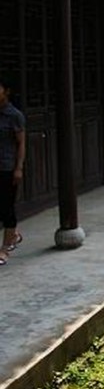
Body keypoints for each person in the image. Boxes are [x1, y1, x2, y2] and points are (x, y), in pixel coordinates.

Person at [0, 77, 26, 266]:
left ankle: (4, 249)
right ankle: (14, 235)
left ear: (6, 91)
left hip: (7, 166)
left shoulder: (14, 115)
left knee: (7, 207)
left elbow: (21, 143)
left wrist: (18, 168)